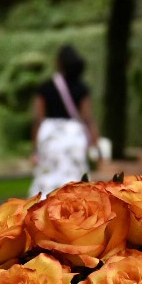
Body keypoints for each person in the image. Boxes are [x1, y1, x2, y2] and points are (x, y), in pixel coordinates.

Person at [29, 45, 100, 197]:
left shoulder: (45, 87)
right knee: (74, 179)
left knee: (47, 178)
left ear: (59, 63)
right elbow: (89, 119)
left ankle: (42, 212)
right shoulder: (81, 88)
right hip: (73, 137)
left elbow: (37, 119)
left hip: (51, 137)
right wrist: (96, 145)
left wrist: (34, 149)